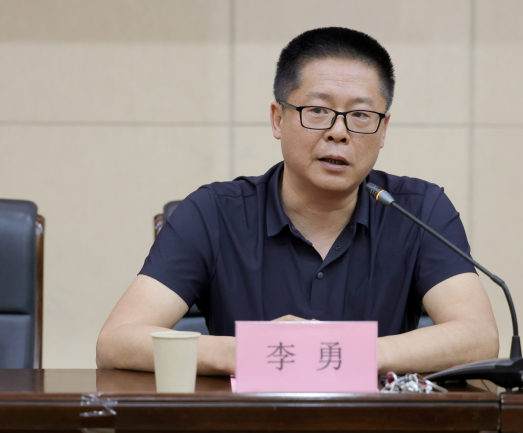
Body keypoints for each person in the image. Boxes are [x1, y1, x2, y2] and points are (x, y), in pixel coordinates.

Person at [96, 27, 498, 375]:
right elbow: (117, 341)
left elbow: (479, 337)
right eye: (317, 110)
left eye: (360, 115)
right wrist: (253, 351)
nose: (339, 132)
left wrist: (343, 351)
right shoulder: (213, 212)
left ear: (383, 129)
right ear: (278, 118)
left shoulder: (418, 209)